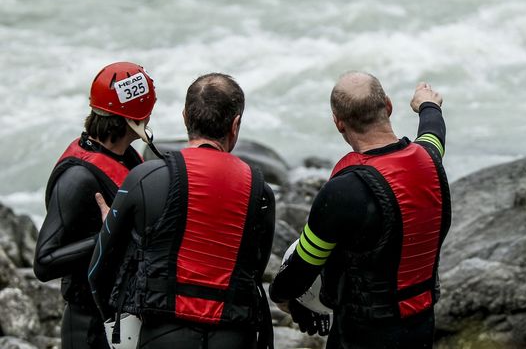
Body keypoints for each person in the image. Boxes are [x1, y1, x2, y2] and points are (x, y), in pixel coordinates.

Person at [87, 73, 276, 349]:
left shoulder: (145, 178)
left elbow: (97, 271)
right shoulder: (261, 191)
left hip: (164, 333)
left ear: (185, 117)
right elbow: (255, 270)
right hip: (235, 336)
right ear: (235, 125)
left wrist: (115, 326)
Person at [270, 72, 451, 349]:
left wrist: (286, 300)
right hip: (421, 327)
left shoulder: (343, 192)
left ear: (338, 123)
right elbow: (433, 131)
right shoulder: (429, 159)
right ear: (388, 106)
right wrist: (428, 104)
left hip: (362, 335)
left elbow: (302, 267)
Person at [34, 61, 158, 349]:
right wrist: (107, 235)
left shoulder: (125, 156)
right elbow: (43, 262)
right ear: (140, 117)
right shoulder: (77, 179)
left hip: (119, 318)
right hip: (87, 326)